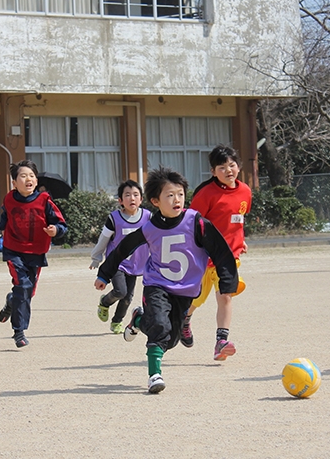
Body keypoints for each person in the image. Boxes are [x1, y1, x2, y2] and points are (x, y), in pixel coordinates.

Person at [94, 166, 238, 393]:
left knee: (170, 339)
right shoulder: (149, 228)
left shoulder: (196, 222)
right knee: (160, 327)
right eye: (169, 195)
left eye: (180, 194)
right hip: (157, 285)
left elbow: (220, 251)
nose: (176, 200)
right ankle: (154, 375)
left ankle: (139, 321)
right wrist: (105, 273)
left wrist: (227, 282)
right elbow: (122, 249)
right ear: (155, 201)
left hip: (186, 291)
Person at [180, 144, 252, 361]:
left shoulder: (245, 191)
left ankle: (221, 341)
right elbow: (191, 223)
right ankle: (185, 318)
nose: (228, 170)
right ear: (213, 172)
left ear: (238, 166)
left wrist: (242, 240)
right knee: (196, 299)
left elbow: (238, 218)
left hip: (229, 257)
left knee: (225, 297)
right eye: (221, 167)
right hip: (204, 257)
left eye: (232, 165)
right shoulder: (206, 193)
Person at [0, 160, 67, 348]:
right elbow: (4, 221)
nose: (28, 179)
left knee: (28, 292)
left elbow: (62, 225)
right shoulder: (9, 199)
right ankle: (19, 331)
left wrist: (55, 230)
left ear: (36, 180)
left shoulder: (44, 201)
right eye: (23, 175)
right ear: (14, 182)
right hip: (14, 250)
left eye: (32, 176)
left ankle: (11, 302)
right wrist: (3, 230)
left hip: (36, 252)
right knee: (23, 285)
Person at [90, 180, 151, 333]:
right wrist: (96, 258)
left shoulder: (147, 217)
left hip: (136, 264)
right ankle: (105, 302)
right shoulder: (114, 219)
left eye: (136, 195)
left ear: (141, 199)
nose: (132, 198)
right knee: (120, 291)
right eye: (127, 195)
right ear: (120, 200)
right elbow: (103, 239)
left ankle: (117, 321)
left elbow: (155, 238)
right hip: (118, 263)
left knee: (127, 298)